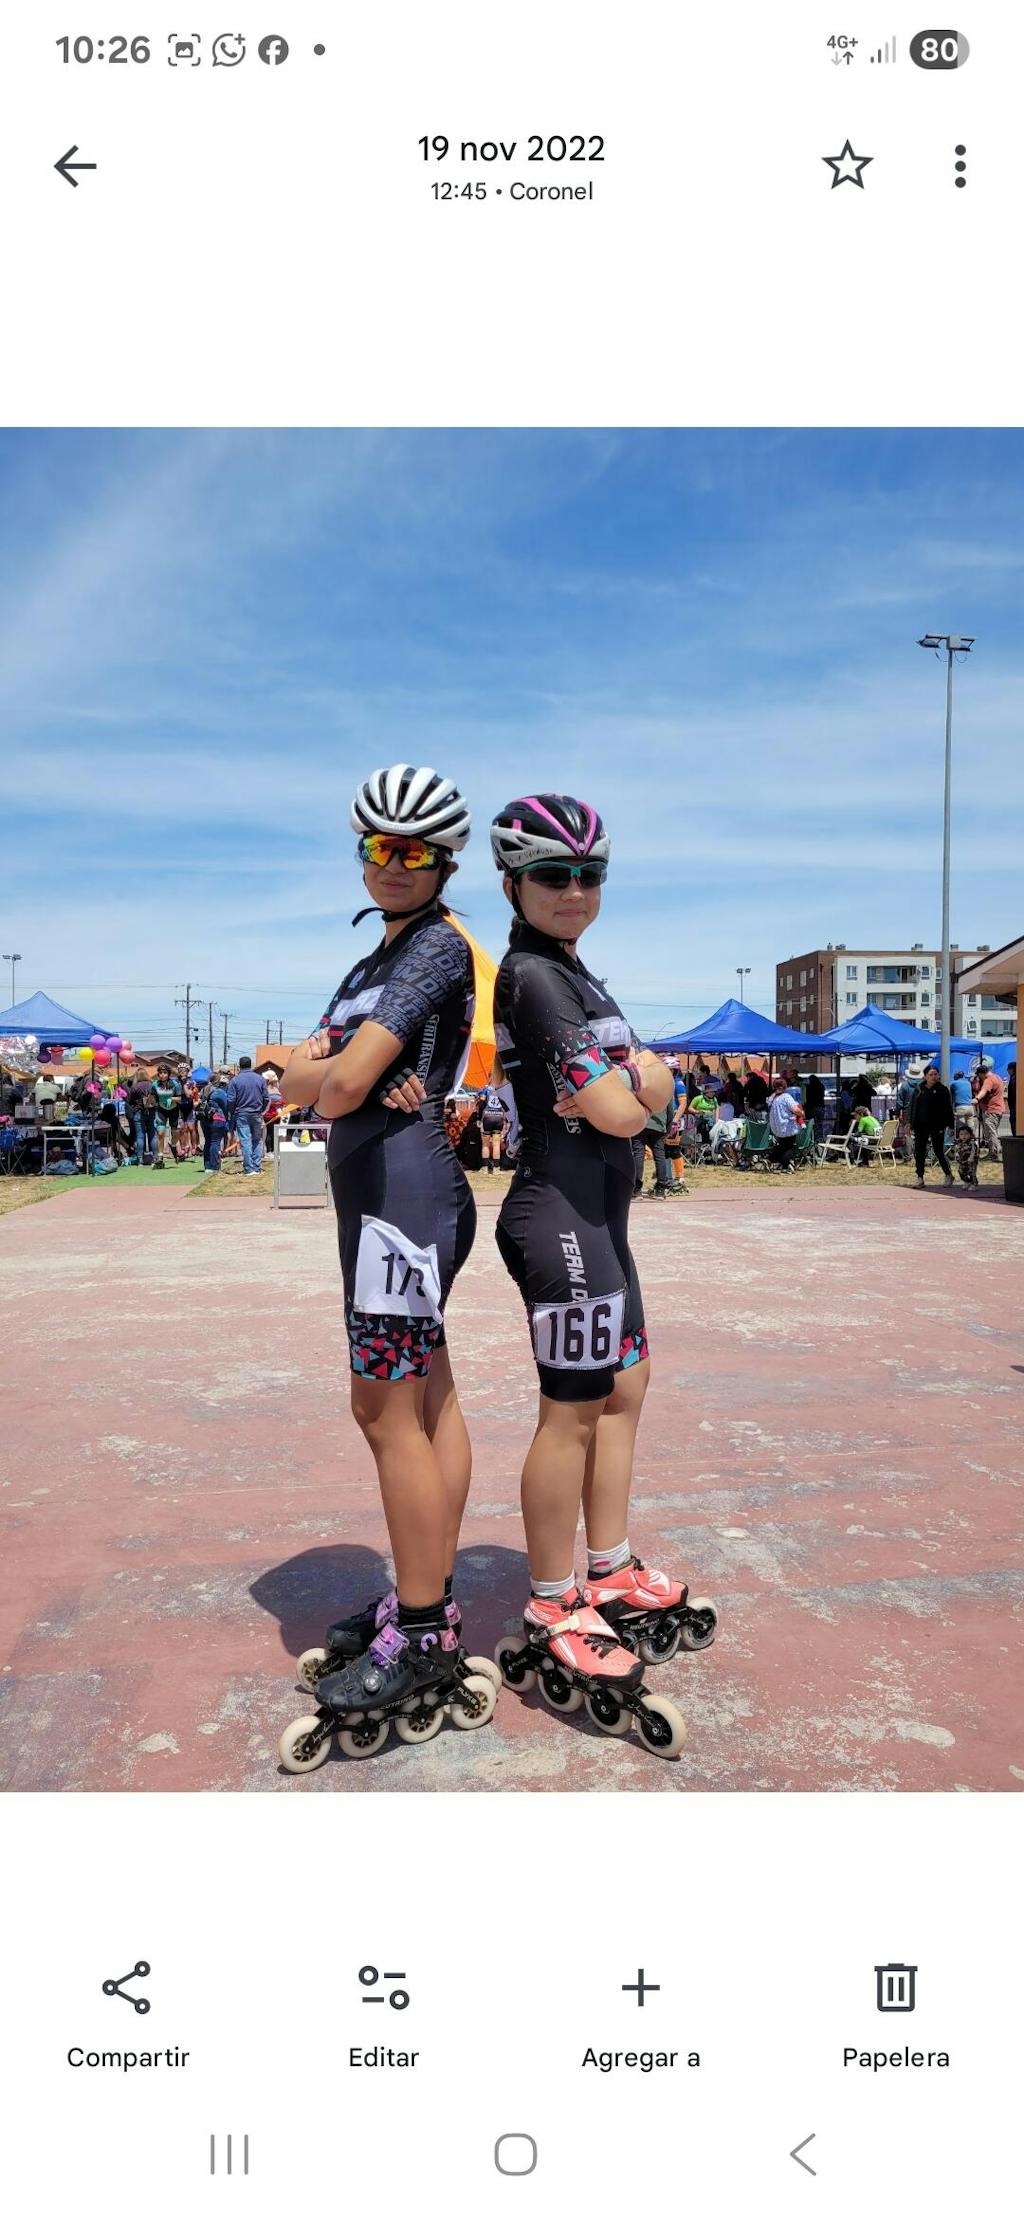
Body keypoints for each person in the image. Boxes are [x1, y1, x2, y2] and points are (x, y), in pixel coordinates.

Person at [277, 762, 497, 1767]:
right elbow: (318, 1073)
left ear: (445, 861)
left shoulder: (435, 947)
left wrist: (323, 1073)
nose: (393, 864)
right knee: (428, 1397)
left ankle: (419, 1635)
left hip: (401, 1201)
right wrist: (332, 1073)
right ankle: (428, 1598)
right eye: (378, 846)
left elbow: (330, 1082)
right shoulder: (380, 954)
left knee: (383, 1409)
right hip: (384, 1194)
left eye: (414, 851)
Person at [487, 790, 715, 1757]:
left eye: (590, 874)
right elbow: (625, 1107)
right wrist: (650, 1082)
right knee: (571, 1411)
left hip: (604, 1216)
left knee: (626, 1387)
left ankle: (610, 1567)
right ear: (512, 882)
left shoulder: (578, 972)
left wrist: (641, 1086)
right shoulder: (535, 976)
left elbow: (633, 1096)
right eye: (553, 874)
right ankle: (552, 1600)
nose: (574, 890)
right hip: (558, 1218)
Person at [911, 1065, 955, 1188]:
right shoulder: (919, 1089)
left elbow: (948, 1108)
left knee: (938, 1150)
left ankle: (948, 1174)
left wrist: (951, 1126)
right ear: (925, 1076)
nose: (934, 1076)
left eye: (936, 1074)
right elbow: (912, 1106)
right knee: (920, 1151)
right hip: (920, 1124)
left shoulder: (943, 1090)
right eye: (931, 1074)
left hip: (937, 1125)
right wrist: (909, 1122)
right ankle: (920, 1178)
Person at [227, 1055, 270, 1175]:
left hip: (241, 1113)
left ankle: (248, 1168)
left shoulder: (235, 1080)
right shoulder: (260, 1079)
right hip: (256, 1113)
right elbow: (266, 1098)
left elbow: (231, 1099)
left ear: (239, 1066)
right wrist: (262, 1109)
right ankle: (256, 1166)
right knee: (257, 1140)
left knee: (245, 1141)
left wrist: (232, 1111)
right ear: (251, 1065)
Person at [974, 1062, 1007, 1162]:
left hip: (991, 1110)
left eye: (979, 1075)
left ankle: (994, 1154)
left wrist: (976, 1098)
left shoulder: (988, 1080)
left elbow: (983, 1091)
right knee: (993, 1132)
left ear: (982, 1073)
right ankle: (993, 1153)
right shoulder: (997, 1077)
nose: (979, 1077)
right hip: (998, 1109)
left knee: (990, 1133)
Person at [767, 1077, 803, 1169]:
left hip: (776, 1127)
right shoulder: (786, 1097)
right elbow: (795, 1109)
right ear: (784, 1086)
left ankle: (771, 1159)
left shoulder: (772, 1098)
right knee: (788, 1147)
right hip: (787, 1126)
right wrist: (802, 1113)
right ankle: (786, 1165)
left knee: (782, 1145)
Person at [199, 1073, 231, 1172]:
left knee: (207, 1142)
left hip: (204, 1119)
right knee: (215, 1142)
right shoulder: (219, 1092)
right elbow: (226, 1106)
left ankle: (207, 1166)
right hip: (217, 1118)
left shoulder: (203, 1090)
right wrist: (228, 1119)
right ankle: (214, 1166)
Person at [150, 1064, 180, 1167]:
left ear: (169, 1074)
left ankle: (172, 1145)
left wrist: (171, 1099)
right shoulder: (155, 1085)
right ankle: (160, 1156)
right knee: (160, 1133)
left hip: (174, 1110)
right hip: (161, 1110)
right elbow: (153, 1098)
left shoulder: (175, 1084)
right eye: (160, 1073)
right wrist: (150, 1101)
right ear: (158, 1074)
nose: (163, 1075)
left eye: (165, 1073)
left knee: (175, 1133)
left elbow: (180, 1098)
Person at [478, 1083, 507, 1173]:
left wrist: (479, 1118)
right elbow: (506, 1106)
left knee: (485, 1144)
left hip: (487, 1117)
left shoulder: (485, 1089)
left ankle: (485, 1168)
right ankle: (496, 1168)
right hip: (499, 1118)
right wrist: (506, 1120)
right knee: (496, 1144)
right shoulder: (503, 1090)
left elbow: (481, 1104)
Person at [1008, 1060, 1017, 1138]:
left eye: (1008, 1069)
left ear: (1012, 1069)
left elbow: (1013, 1093)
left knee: (1014, 1121)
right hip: (1015, 1105)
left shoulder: (1014, 1079)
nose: (1007, 1071)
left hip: (1014, 1105)